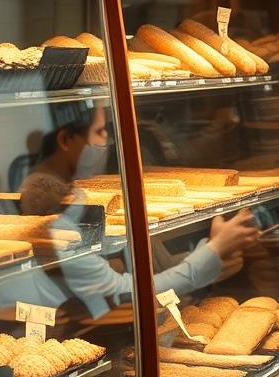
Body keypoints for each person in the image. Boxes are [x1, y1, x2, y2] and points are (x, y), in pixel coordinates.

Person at [15, 103, 259, 317]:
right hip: (92, 336)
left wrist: (211, 252)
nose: (107, 142)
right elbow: (123, 293)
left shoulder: (82, 195)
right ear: (66, 139)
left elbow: (147, 269)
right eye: (100, 132)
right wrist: (213, 251)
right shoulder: (51, 213)